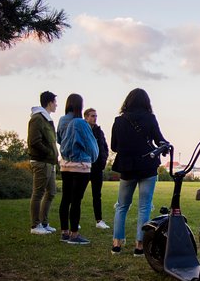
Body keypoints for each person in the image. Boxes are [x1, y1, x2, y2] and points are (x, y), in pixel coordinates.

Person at [110, 88, 167, 256]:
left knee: (122, 206)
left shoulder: (119, 121)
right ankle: (139, 246)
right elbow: (159, 139)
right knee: (144, 207)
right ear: (146, 102)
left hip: (127, 167)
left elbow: (114, 146)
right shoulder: (150, 119)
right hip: (147, 165)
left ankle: (116, 244)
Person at [57, 93, 99, 246]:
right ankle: (74, 234)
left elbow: (59, 140)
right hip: (80, 165)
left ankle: (64, 232)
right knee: (76, 201)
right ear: (80, 106)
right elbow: (90, 145)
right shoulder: (80, 123)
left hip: (65, 164)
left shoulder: (62, 120)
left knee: (65, 199)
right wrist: (93, 157)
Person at [28, 91, 59, 235]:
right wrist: (48, 152)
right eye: (55, 102)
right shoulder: (37, 119)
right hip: (41, 162)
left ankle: (44, 223)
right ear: (49, 103)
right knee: (38, 193)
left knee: (51, 192)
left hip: (49, 162)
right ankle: (35, 226)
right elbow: (34, 141)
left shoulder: (47, 119)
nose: (56, 105)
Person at [84, 108, 110, 229]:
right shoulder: (83, 130)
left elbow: (105, 147)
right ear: (86, 117)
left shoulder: (99, 131)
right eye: (92, 116)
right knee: (78, 194)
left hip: (97, 167)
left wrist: (103, 161)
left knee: (97, 195)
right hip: (84, 166)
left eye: (96, 116)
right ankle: (75, 221)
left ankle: (99, 220)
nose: (95, 118)